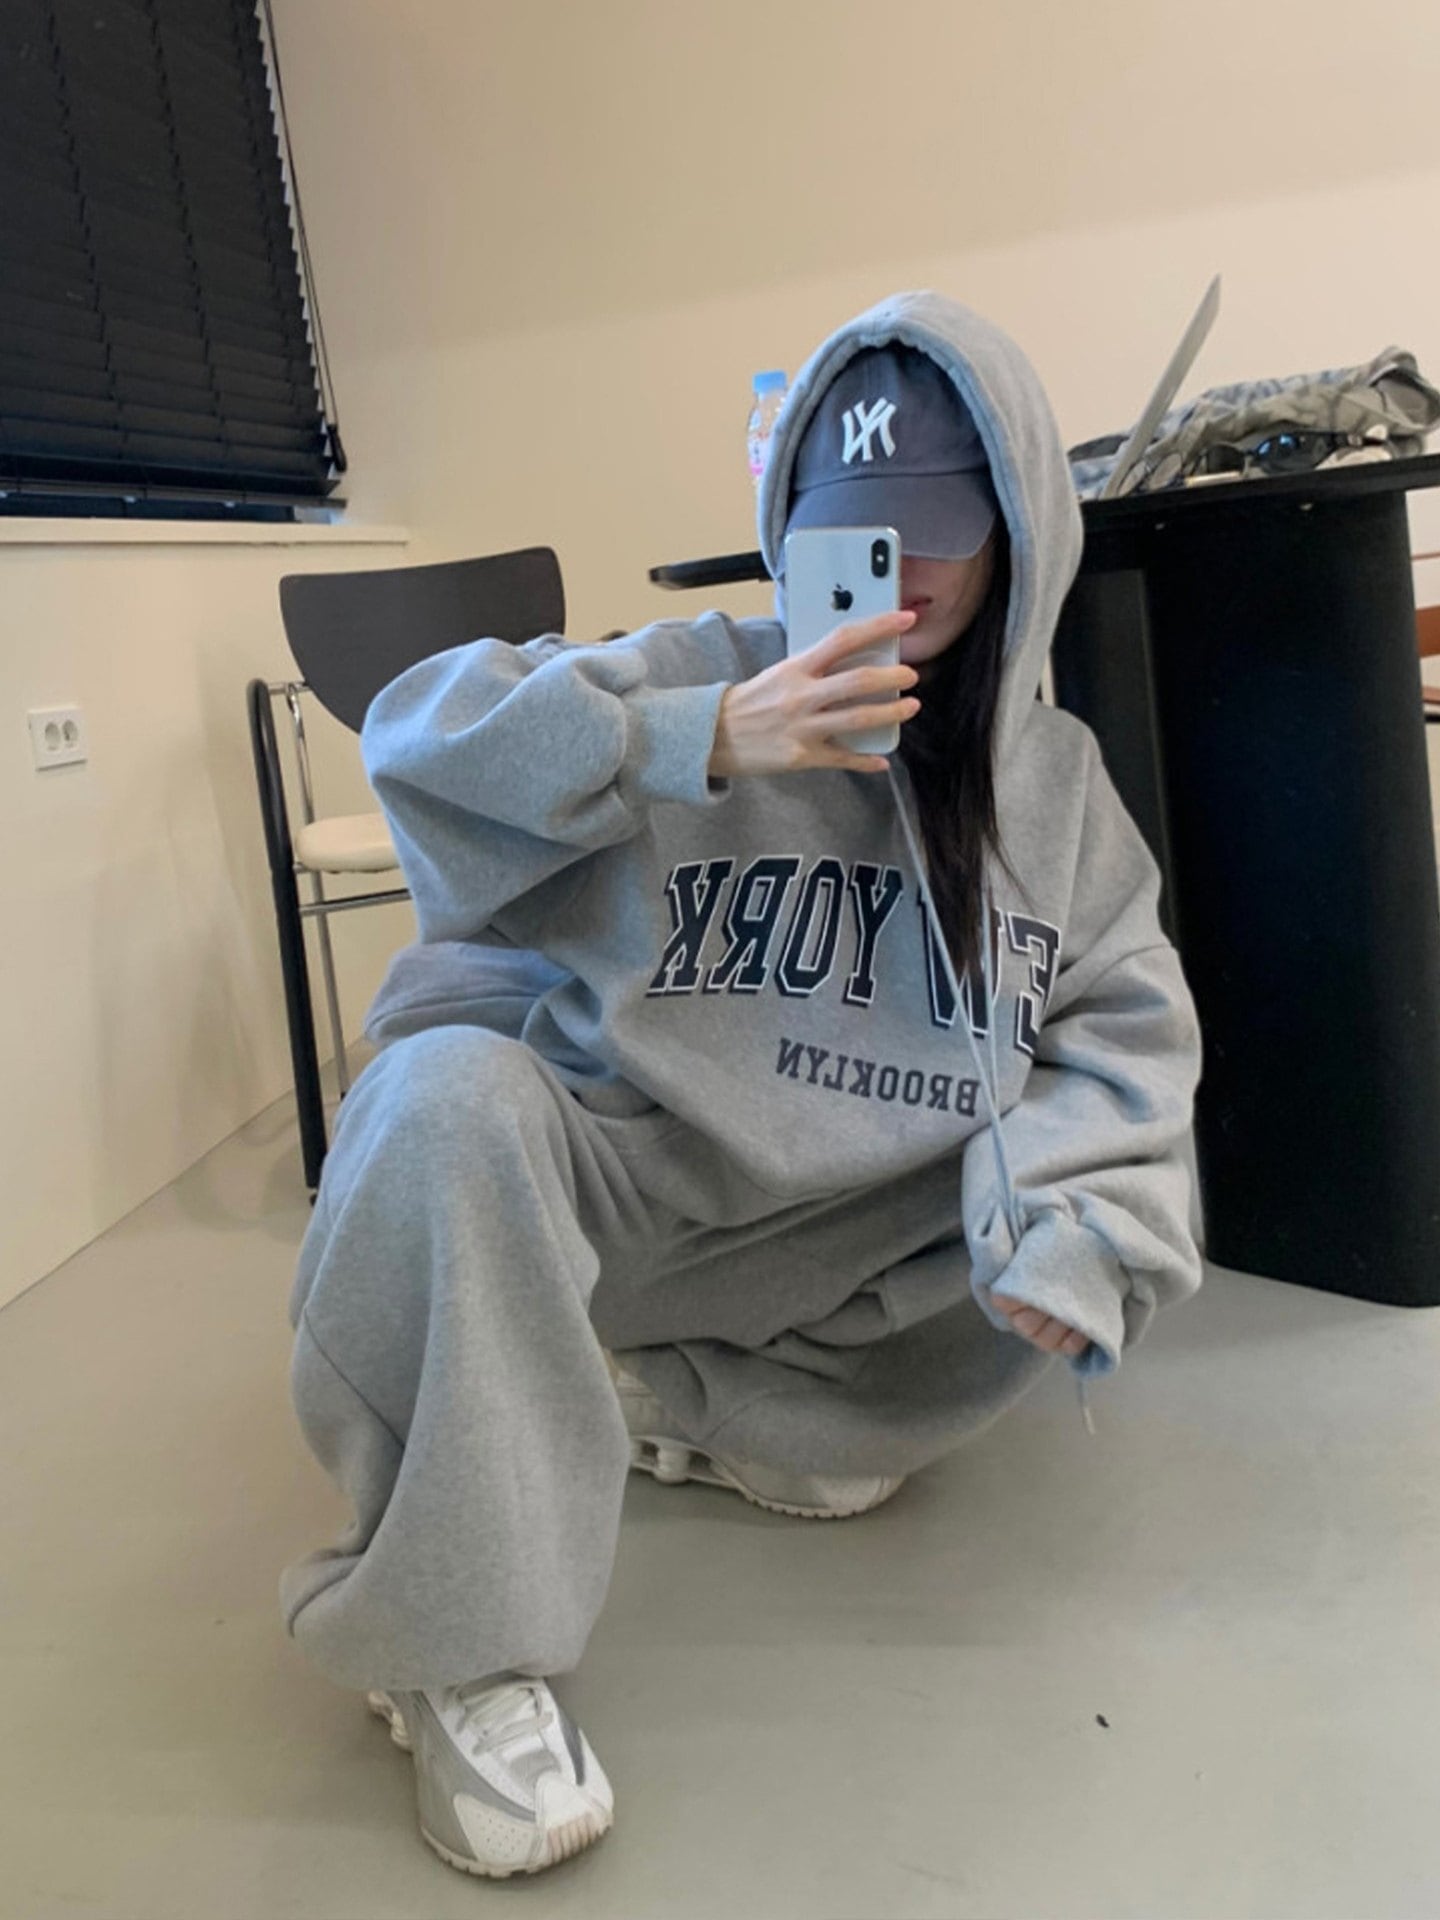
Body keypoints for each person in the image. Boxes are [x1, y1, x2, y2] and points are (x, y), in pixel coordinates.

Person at [280, 291, 1203, 1880]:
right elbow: (418, 739)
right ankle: (458, 1651)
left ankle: (696, 1411)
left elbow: (1123, 1028)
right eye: (852, 536)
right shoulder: (702, 669)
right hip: (631, 1192)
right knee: (443, 1102)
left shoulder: (1053, 790)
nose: (890, 580)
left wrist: (1074, 1226)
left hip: (842, 1241)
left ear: (1017, 533)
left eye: (933, 533)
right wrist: (698, 735)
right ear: (792, 523)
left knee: (1006, 1281)